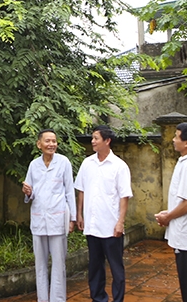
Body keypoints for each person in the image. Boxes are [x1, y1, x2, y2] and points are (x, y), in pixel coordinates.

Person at [74, 125, 132, 302]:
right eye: (92, 138)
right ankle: (98, 298)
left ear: (107, 141)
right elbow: (81, 190)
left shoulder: (119, 166)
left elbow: (124, 197)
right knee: (95, 266)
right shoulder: (87, 163)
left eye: (96, 138)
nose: (92, 141)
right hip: (92, 225)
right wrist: (79, 214)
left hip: (111, 225)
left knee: (116, 268)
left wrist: (120, 222)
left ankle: (118, 299)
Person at [154, 122, 187, 302]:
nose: (173, 139)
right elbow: (182, 200)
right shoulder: (186, 162)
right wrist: (168, 212)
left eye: (177, 136)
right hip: (185, 232)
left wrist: (168, 216)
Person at [23, 128, 76, 302]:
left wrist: (72, 218)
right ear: (39, 144)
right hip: (39, 220)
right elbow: (30, 194)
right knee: (40, 265)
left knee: (59, 264)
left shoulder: (64, 162)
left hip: (58, 219)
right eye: (47, 141)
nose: (51, 144)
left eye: (54, 141)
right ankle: (42, 299)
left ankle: (58, 299)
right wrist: (28, 192)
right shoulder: (33, 165)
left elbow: (69, 191)